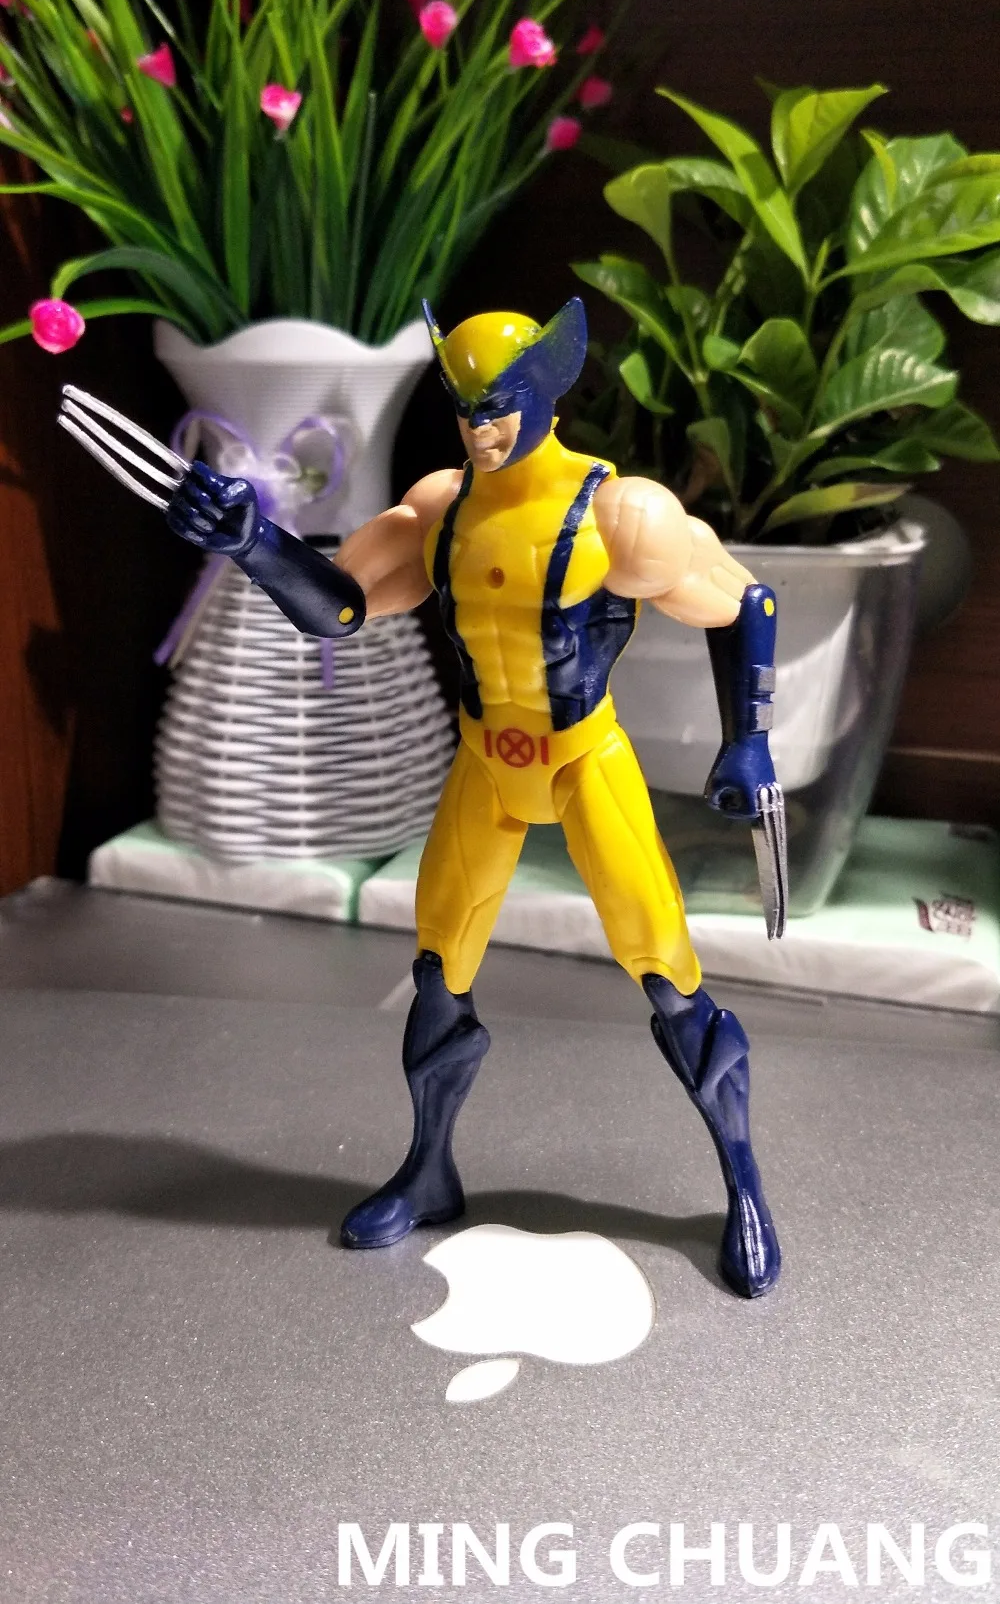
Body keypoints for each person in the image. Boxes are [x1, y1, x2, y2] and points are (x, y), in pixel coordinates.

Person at [165, 297, 783, 1297]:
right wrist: (254, 543)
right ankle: (429, 1170)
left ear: (547, 391)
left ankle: (742, 1181)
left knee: (668, 975)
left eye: (497, 405)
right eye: (463, 406)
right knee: (436, 971)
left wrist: (748, 740)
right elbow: (340, 605)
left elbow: (744, 598)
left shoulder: (620, 514)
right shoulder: (440, 507)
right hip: (486, 762)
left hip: (583, 758)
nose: (478, 427)